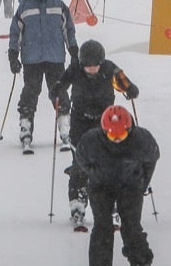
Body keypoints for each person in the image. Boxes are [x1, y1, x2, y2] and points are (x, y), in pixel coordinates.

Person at [75, 105, 159, 266]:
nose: (117, 139)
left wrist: (141, 184)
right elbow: (82, 160)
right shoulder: (91, 141)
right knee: (102, 228)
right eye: (112, 135)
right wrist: (94, 176)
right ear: (104, 131)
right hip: (100, 187)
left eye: (121, 134)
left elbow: (151, 160)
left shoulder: (142, 140)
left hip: (130, 186)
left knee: (131, 227)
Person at [57, 40, 140, 231]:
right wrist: (57, 88)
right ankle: (78, 205)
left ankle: (112, 207)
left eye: (95, 66)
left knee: (109, 164)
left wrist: (130, 89)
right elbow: (63, 81)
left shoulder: (110, 69)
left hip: (105, 123)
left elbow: (124, 82)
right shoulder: (75, 69)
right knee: (80, 164)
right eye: (88, 67)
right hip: (80, 123)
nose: (91, 70)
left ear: (101, 63)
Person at [6, 0, 78, 154]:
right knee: (30, 92)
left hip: (55, 57)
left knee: (59, 92)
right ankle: (26, 129)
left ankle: (65, 129)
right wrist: (13, 54)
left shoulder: (58, 5)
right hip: (32, 59)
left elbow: (68, 30)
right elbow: (16, 32)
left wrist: (73, 50)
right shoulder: (25, 7)